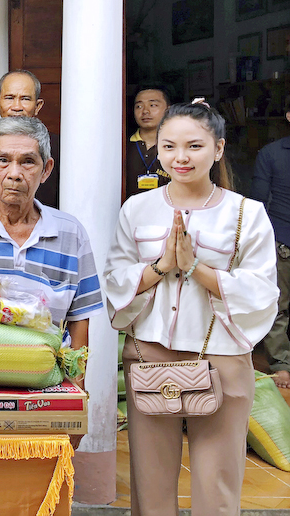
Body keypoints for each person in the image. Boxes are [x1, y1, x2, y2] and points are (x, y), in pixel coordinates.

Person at [104, 100, 277, 515]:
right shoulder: (136, 208)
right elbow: (115, 280)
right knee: (150, 484)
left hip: (221, 357)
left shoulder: (247, 213)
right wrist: (162, 266)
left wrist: (196, 268)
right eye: (169, 146)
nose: (180, 157)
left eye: (194, 146)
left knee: (217, 484)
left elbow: (260, 291)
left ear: (218, 149)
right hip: (150, 355)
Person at [0, 116, 100, 363]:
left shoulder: (71, 234)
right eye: (3, 160)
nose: (15, 174)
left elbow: (79, 318)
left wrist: (76, 380)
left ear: (46, 169)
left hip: (46, 373)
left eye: (28, 162)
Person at [253, 95, 290, 387]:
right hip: (282, 240)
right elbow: (258, 202)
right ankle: (282, 364)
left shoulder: (270, 152)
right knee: (278, 306)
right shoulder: (271, 153)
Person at [0, 69, 59, 207]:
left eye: (25, 99)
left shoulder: (56, 147)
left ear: (38, 106)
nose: (17, 107)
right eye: (9, 98)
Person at [126, 84, 172, 198]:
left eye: (153, 105)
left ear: (168, 110)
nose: (145, 111)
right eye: (139, 106)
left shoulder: (175, 147)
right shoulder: (123, 146)